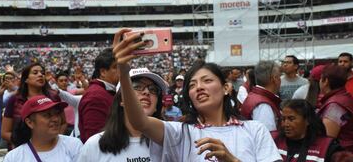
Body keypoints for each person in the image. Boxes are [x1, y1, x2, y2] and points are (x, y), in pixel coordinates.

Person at [113, 29, 282, 161]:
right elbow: (139, 121)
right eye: (192, 85)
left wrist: (231, 160)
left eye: (207, 80)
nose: (199, 87)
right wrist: (123, 69)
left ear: (225, 88)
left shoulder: (255, 130)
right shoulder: (180, 132)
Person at [77, 68, 166, 162]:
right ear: (121, 100)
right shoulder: (94, 145)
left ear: (157, 106)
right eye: (137, 86)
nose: (146, 92)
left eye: (153, 89)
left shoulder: (170, 143)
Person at [1, 63, 63, 148]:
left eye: (42, 73)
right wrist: (26, 144)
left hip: (52, 148)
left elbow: (63, 123)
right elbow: (5, 132)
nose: (40, 75)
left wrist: (54, 141)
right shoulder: (15, 100)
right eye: (35, 73)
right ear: (26, 79)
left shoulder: (53, 97)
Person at [4, 95, 82, 161]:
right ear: (30, 122)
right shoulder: (14, 158)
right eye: (47, 115)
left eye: (57, 113)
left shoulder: (74, 145)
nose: (55, 119)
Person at [317, 65, 353, 159]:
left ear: (325, 81)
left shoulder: (335, 106)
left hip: (345, 157)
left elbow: (327, 138)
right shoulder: (345, 96)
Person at [273, 99, 343, 161]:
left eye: (291, 119)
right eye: (283, 119)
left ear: (307, 120)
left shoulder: (327, 147)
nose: (286, 124)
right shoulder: (274, 141)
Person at [78, 48, 119, 143]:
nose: (121, 70)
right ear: (103, 72)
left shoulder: (105, 91)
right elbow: (94, 139)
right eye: (116, 67)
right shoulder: (95, 96)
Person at [241, 61, 282, 131]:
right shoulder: (263, 105)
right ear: (274, 79)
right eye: (279, 76)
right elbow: (268, 136)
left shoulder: (255, 96)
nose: (281, 79)